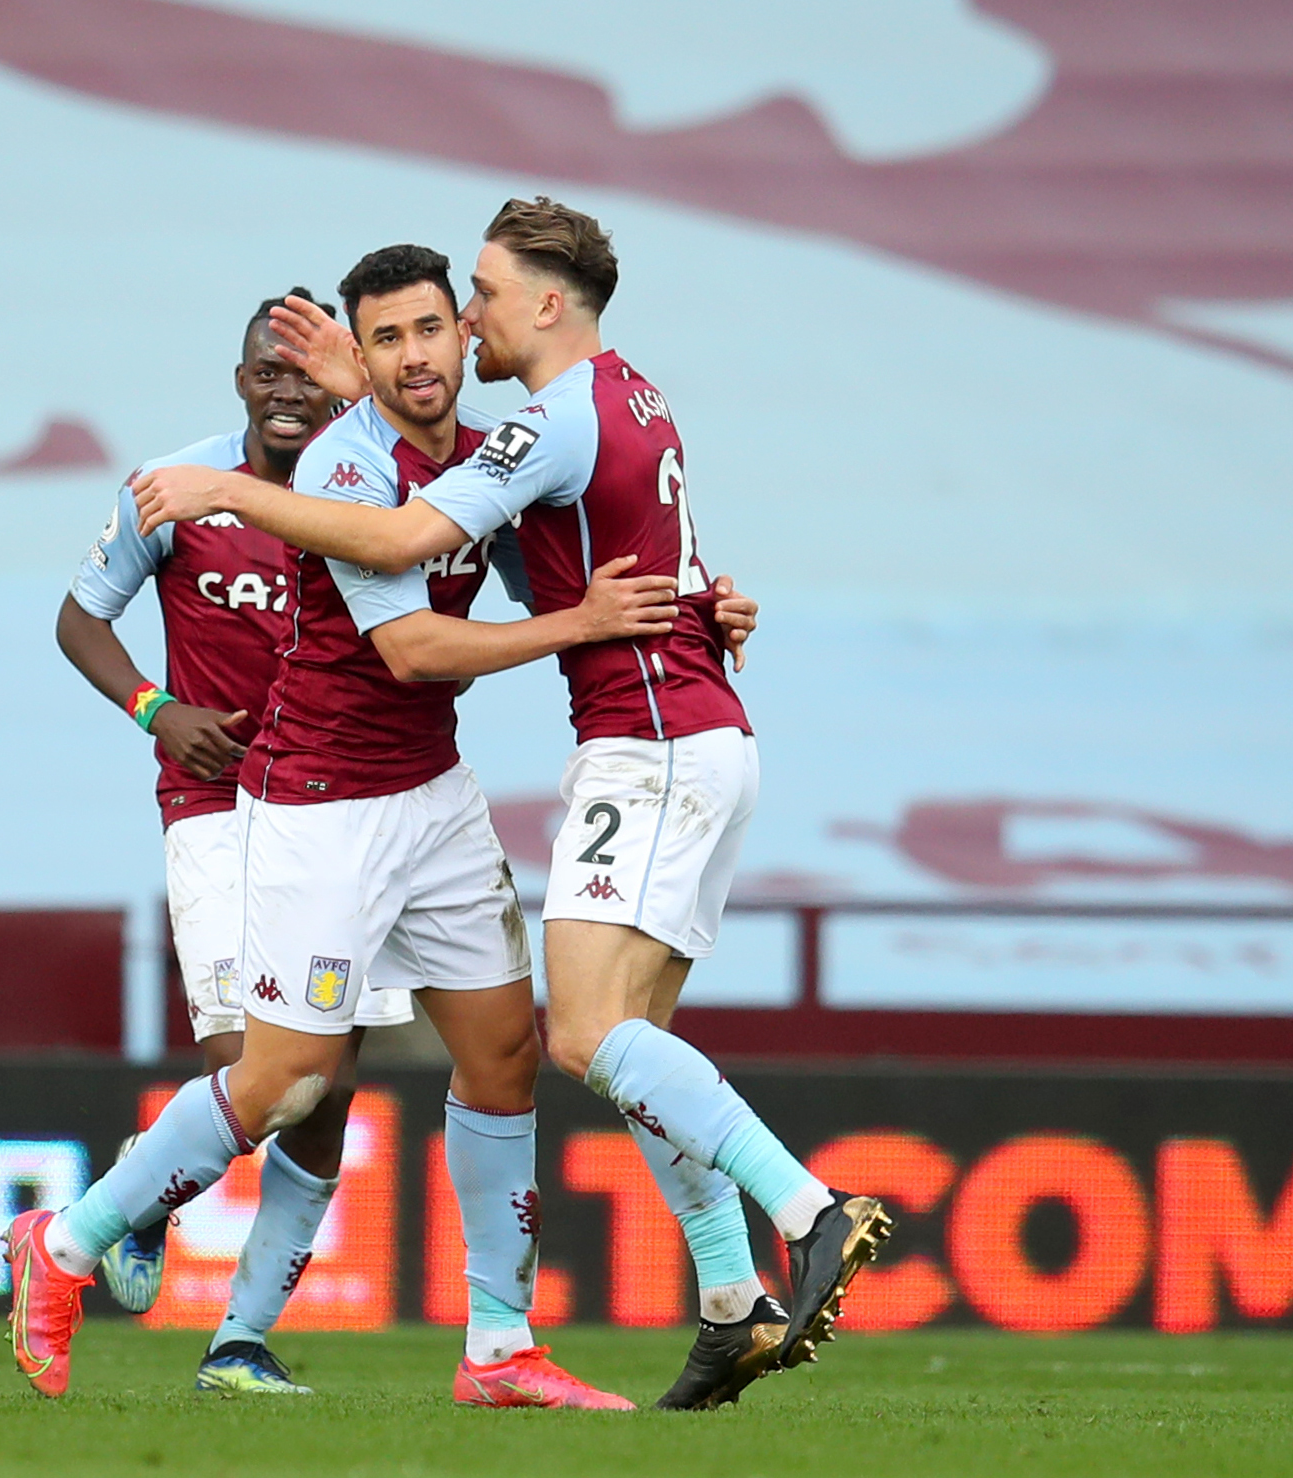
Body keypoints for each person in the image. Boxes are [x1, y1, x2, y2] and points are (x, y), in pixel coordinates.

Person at [130, 198, 892, 1409]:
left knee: (583, 1038)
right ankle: (725, 1295)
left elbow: (409, 529)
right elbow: (640, 552)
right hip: (695, 734)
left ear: (543, 303)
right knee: (635, 1051)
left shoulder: (548, 418)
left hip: (644, 748)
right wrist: (708, 612)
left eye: (473, 298)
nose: (465, 321)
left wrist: (222, 488)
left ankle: (808, 1209)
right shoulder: (631, 394)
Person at [6, 245, 686, 1409]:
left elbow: (560, 569)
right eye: (387, 340)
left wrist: (703, 603)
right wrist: (581, 623)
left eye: (430, 330)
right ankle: (64, 1243)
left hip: (432, 790)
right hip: (320, 803)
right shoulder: (343, 466)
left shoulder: (487, 461)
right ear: (359, 363)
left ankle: (497, 1347)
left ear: (461, 340)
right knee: (285, 1082)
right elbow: (414, 648)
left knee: (505, 1053)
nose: (415, 355)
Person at [54, 289, 420, 1396]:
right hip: (214, 808)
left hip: (339, 805)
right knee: (255, 1069)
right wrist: (152, 707)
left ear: (341, 377)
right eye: (269, 371)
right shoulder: (175, 489)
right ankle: (143, 1191)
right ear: (240, 383)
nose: (288, 390)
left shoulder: (380, 491)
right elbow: (78, 618)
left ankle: (240, 1342)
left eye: (309, 371)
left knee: (329, 1087)